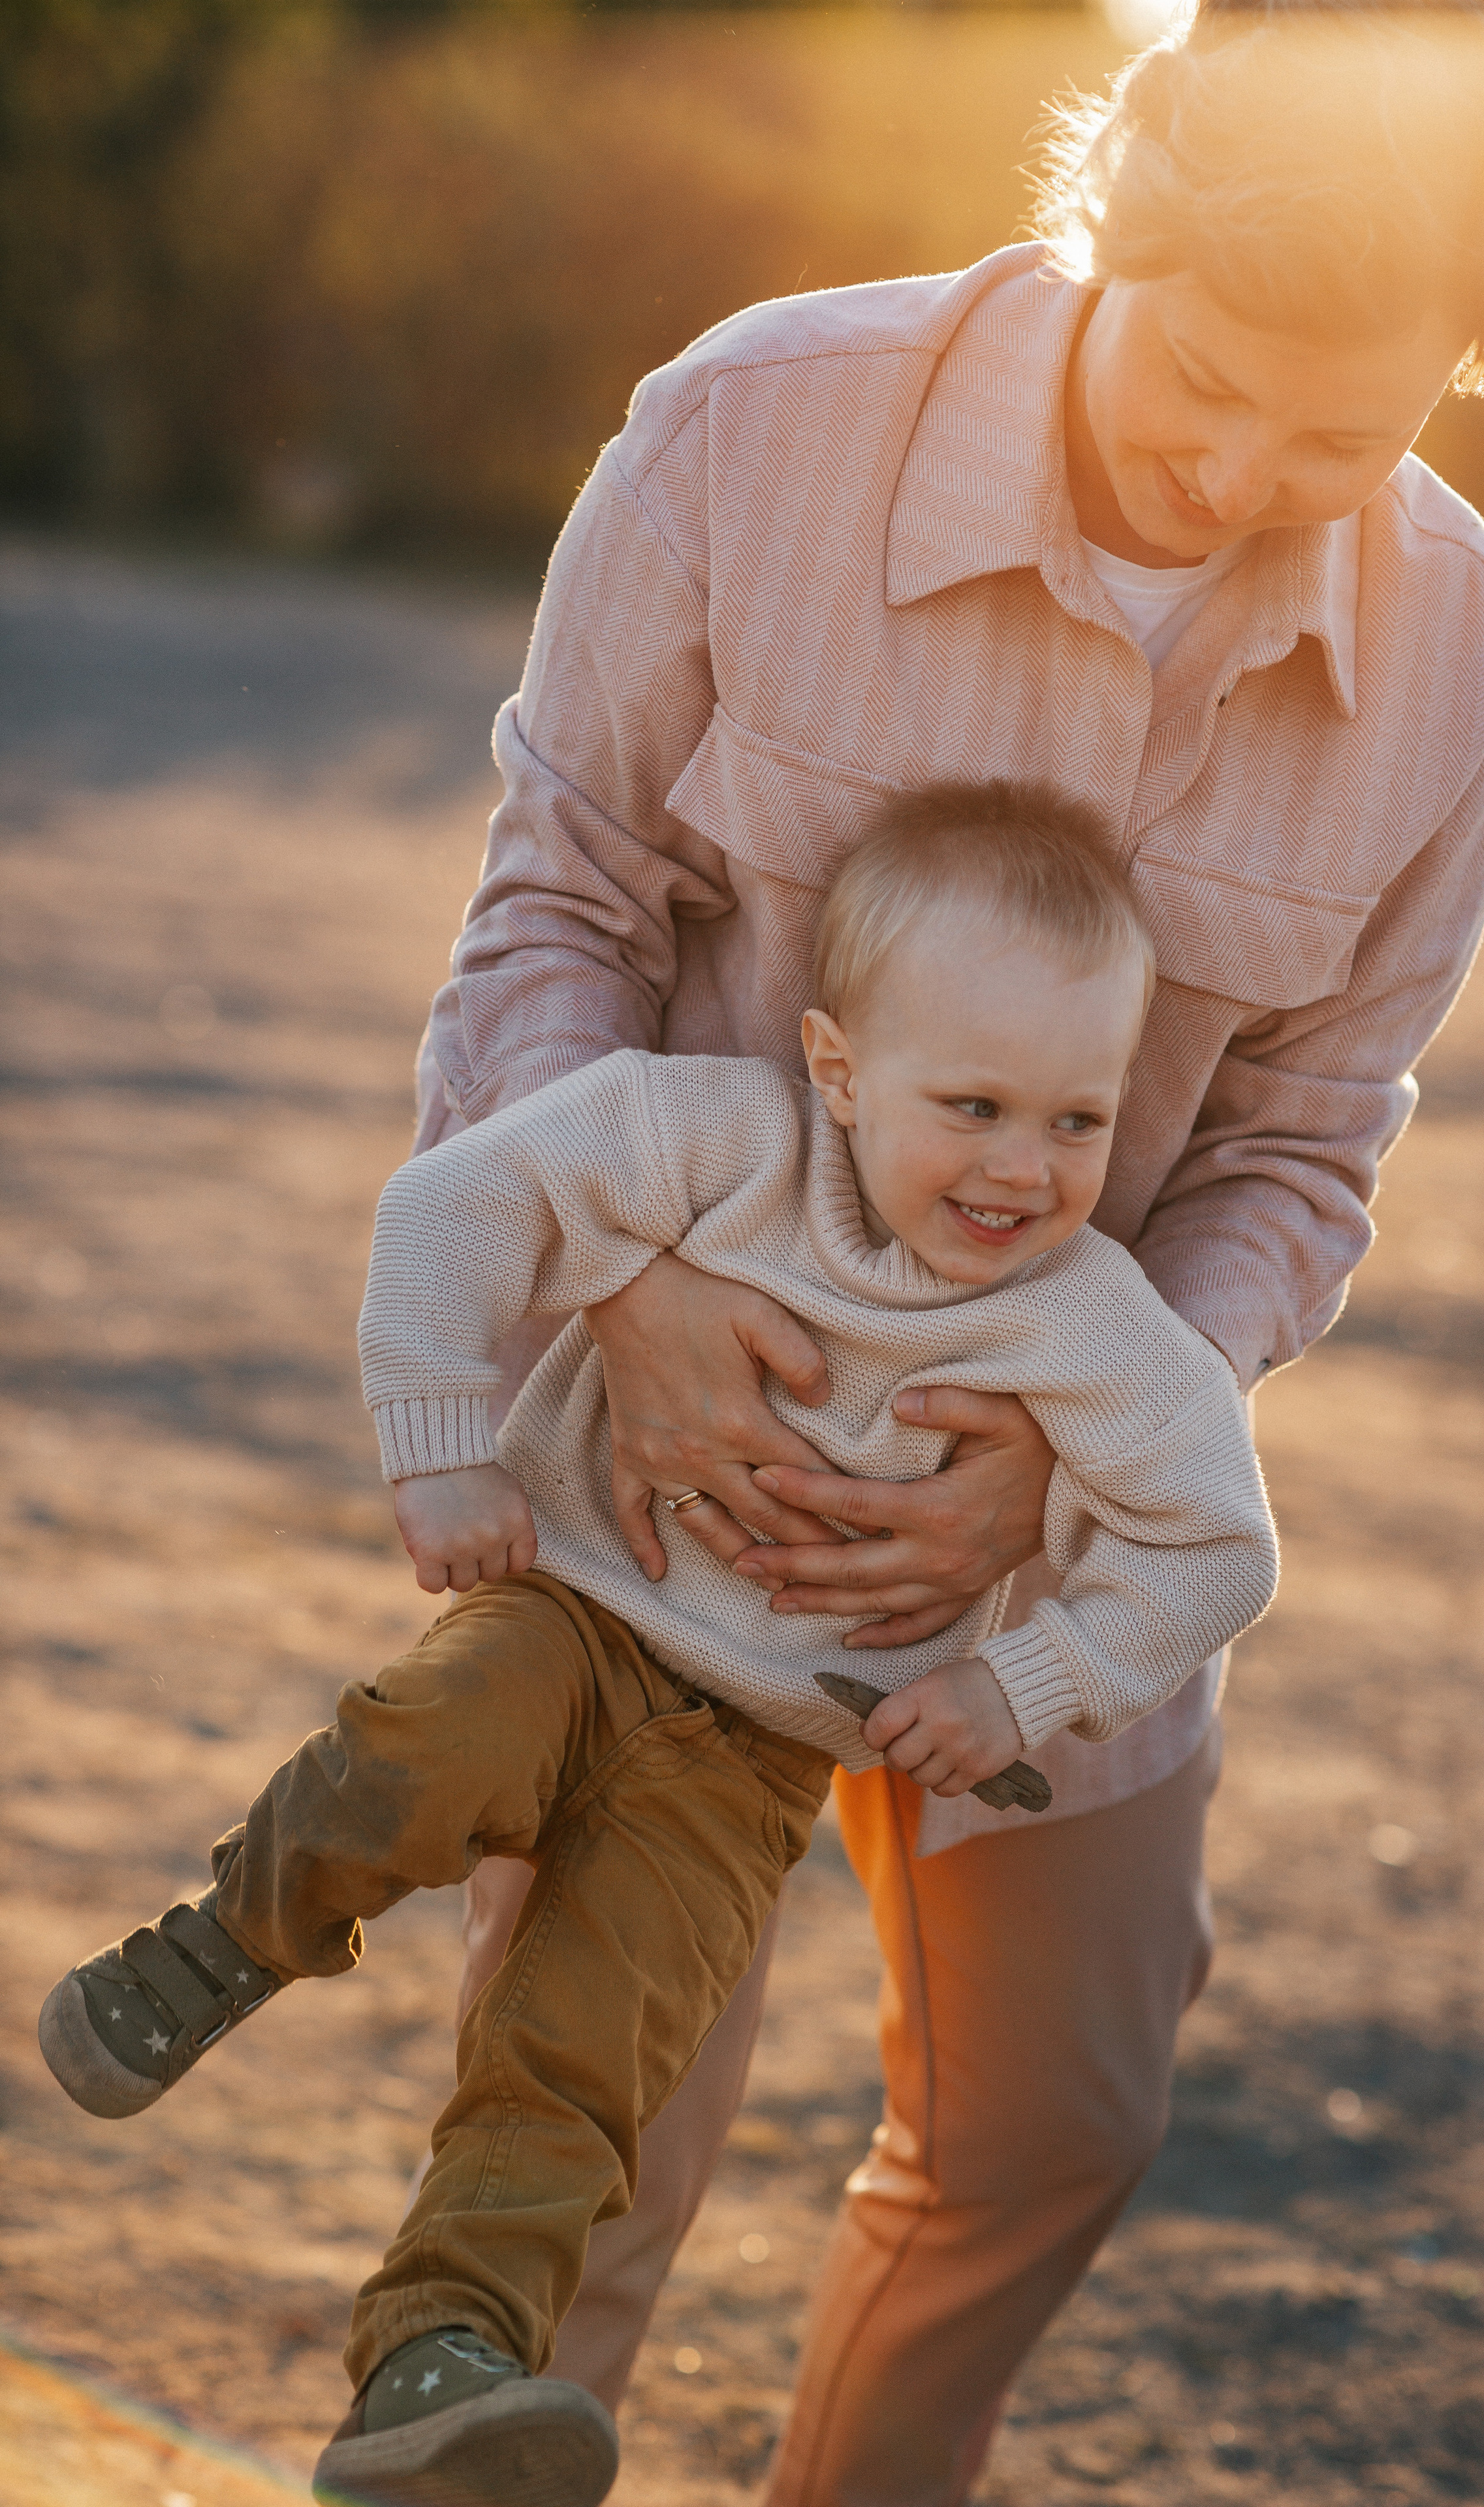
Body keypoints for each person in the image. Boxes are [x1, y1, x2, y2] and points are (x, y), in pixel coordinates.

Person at [422, 3, 1484, 2493]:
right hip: (678, 1488)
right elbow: (562, 901)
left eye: (1351, 436)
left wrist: (1056, 1468)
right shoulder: (753, 425)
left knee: (1060, 2120)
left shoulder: (1465, 661)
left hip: (1050, 1528)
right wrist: (635, 1307)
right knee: (592, 2136)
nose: (1250, 476)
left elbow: (1306, 1139)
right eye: (1206, 383)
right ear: (1124, 202)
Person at [38, 784, 1277, 2507]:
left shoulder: (1086, 1326)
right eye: (973, 1104)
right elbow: (455, 1206)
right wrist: (444, 1447)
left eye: (1078, 1121)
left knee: (589, 2054)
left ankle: (438, 2355)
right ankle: (234, 1938)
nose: (1022, 1165)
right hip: (572, 1612)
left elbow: (1220, 1547)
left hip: (753, 1759)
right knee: (434, 1738)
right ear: (841, 1070)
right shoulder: (716, 1139)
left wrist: (1023, 1678)